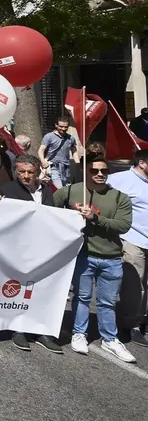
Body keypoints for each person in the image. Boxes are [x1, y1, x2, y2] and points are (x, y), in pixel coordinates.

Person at [54, 152, 135, 362]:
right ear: (86, 171)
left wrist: (95, 218)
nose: (100, 174)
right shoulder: (72, 190)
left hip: (112, 258)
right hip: (84, 255)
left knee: (107, 302)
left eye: (104, 171)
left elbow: (123, 225)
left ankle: (110, 339)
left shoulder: (119, 197)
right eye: (95, 170)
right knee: (81, 297)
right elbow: (51, 206)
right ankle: (79, 333)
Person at [0, 154, 63, 353]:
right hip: (18, 249)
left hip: (44, 248)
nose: (25, 176)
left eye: (30, 172)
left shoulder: (47, 190)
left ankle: (41, 331)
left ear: (38, 172)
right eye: (21, 172)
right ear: (16, 171)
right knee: (19, 288)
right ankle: (19, 330)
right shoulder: (6, 190)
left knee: (41, 289)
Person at [104, 149, 148, 348]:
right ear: (142, 162)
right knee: (133, 284)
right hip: (133, 239)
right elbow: (95, 193)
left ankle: (141, 322)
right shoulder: (120, 179)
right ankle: (128, 325)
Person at [39, 117, 79, 188]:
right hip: (53, 166)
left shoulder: (71, 138)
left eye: (65, 127)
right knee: (58, 188)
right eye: (61, 126)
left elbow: (74, 151)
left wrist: (78, 164)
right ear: (56, 125)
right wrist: (43, 161)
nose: (63, 129)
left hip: (66, 167)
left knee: (67, 188)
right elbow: (41, 150)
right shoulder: (49, 136)